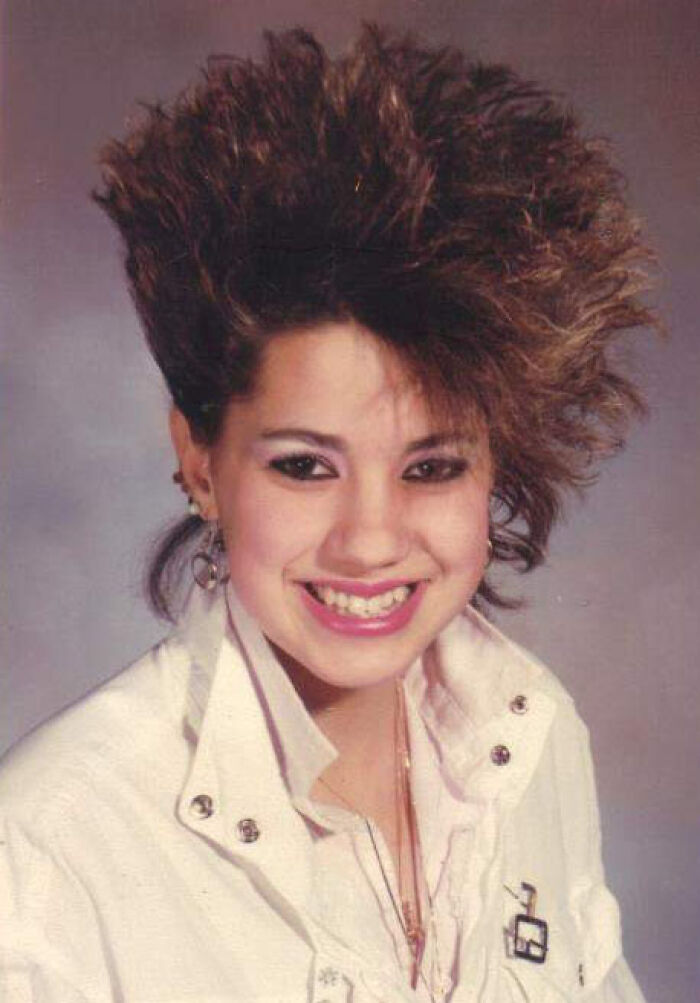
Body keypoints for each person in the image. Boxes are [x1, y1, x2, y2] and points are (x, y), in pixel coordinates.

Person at [0, 24, 655, 1003]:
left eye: (430, 466)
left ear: (497, 467)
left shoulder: (533, 738)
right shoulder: (51, 847)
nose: (369, 540)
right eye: (305, 465)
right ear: (201, 460)